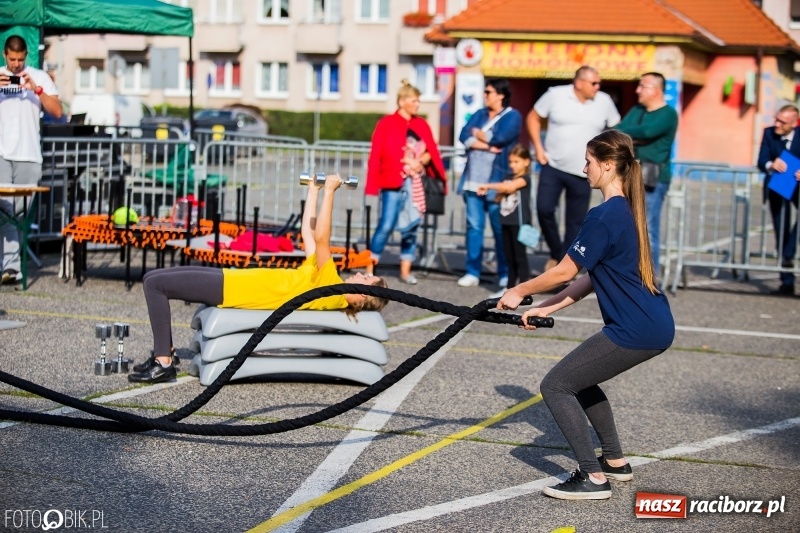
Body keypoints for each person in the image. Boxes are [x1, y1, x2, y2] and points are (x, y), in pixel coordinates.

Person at [497, 130, 674, 500]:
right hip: (652, 323)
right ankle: (615, 461)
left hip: (635, 329)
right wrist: (546, 306)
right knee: (581, 380)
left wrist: (519, 290)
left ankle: (592, 478)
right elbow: (590, 279)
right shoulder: (628, 210)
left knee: (556, 386)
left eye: (589, 162)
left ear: (608, 165)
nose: (584, 168)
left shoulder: (604, 215)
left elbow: (564, 271)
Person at [128, 174, 390, 384]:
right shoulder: (326, 279)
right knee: (152, 276)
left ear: (365, 295)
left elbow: (322, 238)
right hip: (233, 279)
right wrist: (314, 190)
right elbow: (309, 235)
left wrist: (330, 192)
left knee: (155, 284)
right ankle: (165, 354)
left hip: (234, 291)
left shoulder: (332, 287)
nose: (360, 273)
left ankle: (163, 361)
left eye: (366, 277)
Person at [528, 66, 620, 274]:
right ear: (579, 83)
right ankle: (555, 250)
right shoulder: (555, 95)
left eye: (599, 83)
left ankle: (563, 265)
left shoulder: (604, 101)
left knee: (576, 221)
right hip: (553, 165)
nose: (598, 87)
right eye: (594, 83)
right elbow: (533, 117)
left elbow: (615, 130)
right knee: (544, 209)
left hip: (586, 171)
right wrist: (538, 148)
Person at [365, 79, 446, 285]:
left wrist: (421, 161)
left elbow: (431, 151)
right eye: (413, 100)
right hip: (392, 181)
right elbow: (376, 154)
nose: (417, 104)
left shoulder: (421, 124)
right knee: (386, 224)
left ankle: (405, 270)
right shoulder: (386, 123)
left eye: (418, 100)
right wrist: (372, 184)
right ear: (402, 101)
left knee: (412, 225)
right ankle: (369, 269)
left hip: (415, 182)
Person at [0, 35, 62, 284]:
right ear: (5, 55)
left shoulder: (39, 76)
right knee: (3, 210)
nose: (16, 65)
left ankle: (9, 266)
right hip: (2, 153)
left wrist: (35, 89)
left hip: (29, 154)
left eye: (20, 60)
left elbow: (58, 112)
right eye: (12, 60)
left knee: (19, 213)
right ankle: (13, 268)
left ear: (26, 56)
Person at [457, 78, 522, 288]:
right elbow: (462, 134)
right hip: (472, 179)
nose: (485, 95)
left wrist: (478, 136)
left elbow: (500, 139)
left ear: (501, 94)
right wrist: (483, 142)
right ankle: (472, 271)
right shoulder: (479, 113)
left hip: (496, 180)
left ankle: (504, 272)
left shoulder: (512, 116)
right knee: (474, 227)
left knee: (498, 228)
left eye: (488, 92)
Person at [615, 72, 678, 279]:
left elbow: (649, 133)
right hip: (628, 175)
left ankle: (650, 275)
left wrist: (633, 136)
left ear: (657, 90)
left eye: (643, 86)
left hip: (653, 178)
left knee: (648, 226)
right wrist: (634, 136)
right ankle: (629, 271)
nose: (637, 90)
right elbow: (619, 131)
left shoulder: (668, 114)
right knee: (625, 224)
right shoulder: (636, 110)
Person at [476, 144, 533, 297]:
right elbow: (499, 196)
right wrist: (500, 190)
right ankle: (509, 288)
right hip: (506, 220)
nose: (513, 165)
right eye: (511, 162)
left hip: (519, 223)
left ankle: (524, 289)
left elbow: (510, 188)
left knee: (520, 257)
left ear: (526, 162)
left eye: (517, 162)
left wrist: (488, 186)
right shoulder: (506, 178)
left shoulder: (525, 179)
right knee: (509, 256)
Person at [756, 104, 800, 297]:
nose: (777, 124)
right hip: (778, 187)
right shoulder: (769, 133)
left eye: (782, 122)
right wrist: (771, 164)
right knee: (781, 231)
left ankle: (789, 253)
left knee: (793, 235)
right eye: (776, 119)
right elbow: (761, 160)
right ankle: (787, 282)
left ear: (794, 123)